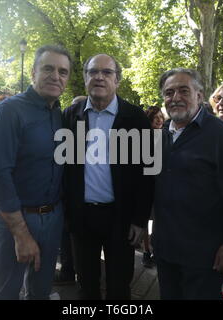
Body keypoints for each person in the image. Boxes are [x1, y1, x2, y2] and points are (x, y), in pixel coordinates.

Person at [62, 54, 153, 299]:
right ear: (85, 77)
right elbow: (63, 170)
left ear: (117, 80)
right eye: (93, 72)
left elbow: (147, 175)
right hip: (82, 219)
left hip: (121, 219)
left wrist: (140, 219)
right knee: (86, 285)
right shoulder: (70, 116)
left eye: (107, 72)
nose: (99, 77)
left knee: (119, 286)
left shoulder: (136, 118)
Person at [153, 68, 223, 300]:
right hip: (166, 250)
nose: (175, 97)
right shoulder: (162, 134)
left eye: (183, 91)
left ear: (199, 95)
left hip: (204, 255)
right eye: (169, 92)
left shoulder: (220, 133)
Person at [0, 45, 71, 300]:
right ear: (33, 72)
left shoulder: (58, 114)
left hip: (52, 218)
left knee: (40, 292)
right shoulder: (8, 112)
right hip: (14, 220)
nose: (56, 76)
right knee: (5, 294)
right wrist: (21, 234)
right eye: (48, 68)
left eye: (63, 71)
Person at [54, 95, 87, 286]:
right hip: (66, 198)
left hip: (74, 199)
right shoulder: (65, 131)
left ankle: (70, 271)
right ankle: (69, 270)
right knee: (67, 237)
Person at [141, 106, 164, 268]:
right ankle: (146, 251)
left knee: (157, 219)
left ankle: (155, 250)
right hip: (145, 182)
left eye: (161, 117)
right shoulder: (141, 137)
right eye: (156, 117)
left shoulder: (166, 135)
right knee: (143, 219)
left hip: (161, 184)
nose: (159, 120)